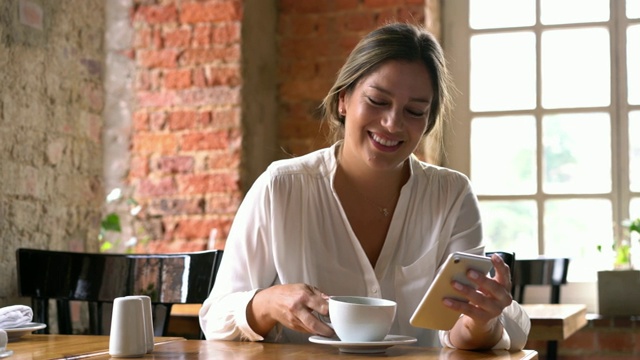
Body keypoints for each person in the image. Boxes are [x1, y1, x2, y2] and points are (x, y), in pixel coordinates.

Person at [199, 22, 530, 350]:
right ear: (344, 100)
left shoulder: (451, 195)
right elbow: (215, 319)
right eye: (377, 101)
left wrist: (481, 321)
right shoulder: (282, 187)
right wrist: (268, 303)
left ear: (428, 121)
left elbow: (458, 333)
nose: (392, 123)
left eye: (415, 111)